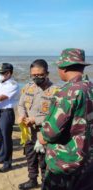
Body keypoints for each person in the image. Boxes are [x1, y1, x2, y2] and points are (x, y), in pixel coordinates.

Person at [38, 48, 93, 190]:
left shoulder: (67, 92)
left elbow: (50, 133)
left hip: (66, 163)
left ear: (64, 68)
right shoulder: (90, 87)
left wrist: (41, 136)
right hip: (88, 162)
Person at [18, 60, 58, 189]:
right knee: (30, 157)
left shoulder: (55, 91)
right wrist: (22, 115)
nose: (36, 78)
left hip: (43, 133)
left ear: (47, 73)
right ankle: (32, 180)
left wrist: (35, 120)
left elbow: (55, 114)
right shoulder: (28, 87)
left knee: (43, 160)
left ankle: (45, 183)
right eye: (33, 75)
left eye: (40, 75)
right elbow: (21, 105)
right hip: (29, 132)